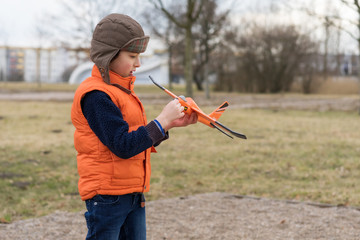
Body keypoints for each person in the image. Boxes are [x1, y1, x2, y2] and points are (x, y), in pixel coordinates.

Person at [70, 13, 197, 240]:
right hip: (108, 195)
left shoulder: (122, 91)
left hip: (132, 192)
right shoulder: (96, 95)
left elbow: (134, 139)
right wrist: (160, 121)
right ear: (108, 55)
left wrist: (168, 126)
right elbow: (122, 144)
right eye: (132, 56)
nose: (138, 63)